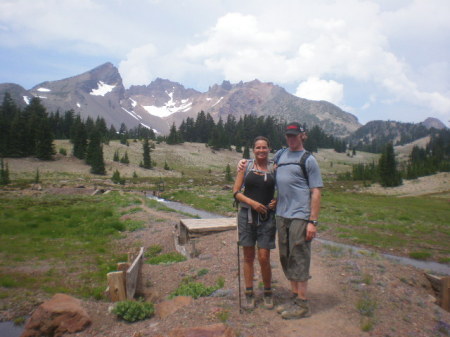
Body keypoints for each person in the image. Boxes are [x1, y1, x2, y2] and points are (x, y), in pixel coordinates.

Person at [238, 122, 323, 319]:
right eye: (288, 135)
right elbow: (263, 165)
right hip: (281, 215)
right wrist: (242, 162)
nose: (291, 138)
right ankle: (295, 297)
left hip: (300, 216)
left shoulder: (309, 160)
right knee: (286, 256)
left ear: (303, 136)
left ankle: (302, 304)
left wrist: (313, 221)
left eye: (295, 135)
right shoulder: (281, 155)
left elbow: (316, 191)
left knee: (299, 256)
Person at [233, 136, 277, 310]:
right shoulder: (246, 166)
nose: (261, 150)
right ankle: (249, 292)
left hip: (267, 218)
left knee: (264, 257)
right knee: (248, 257)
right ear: (253, 149)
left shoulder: (275, 167)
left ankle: (267, 291)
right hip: (246, 216)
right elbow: (236, 192)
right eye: (258, 147)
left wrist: (277, 201)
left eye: (264, 147)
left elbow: (282, 188)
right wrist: (252, 203)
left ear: (269, 149)